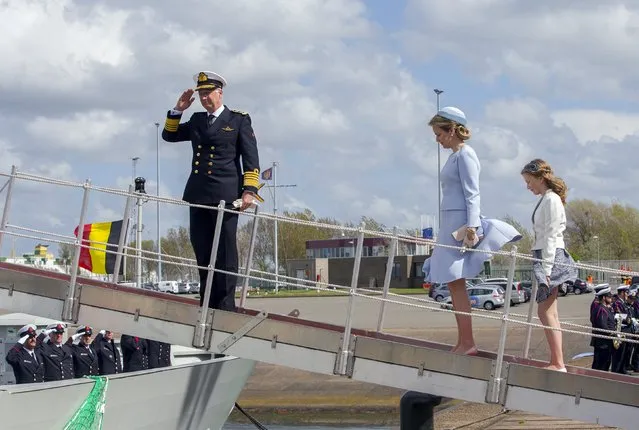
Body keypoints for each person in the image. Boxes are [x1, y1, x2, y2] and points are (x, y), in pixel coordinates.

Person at [422, 107, 522, 355]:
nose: (437, 139)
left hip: (459, 224)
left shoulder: (466, 155)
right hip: (449, 223)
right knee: (453, 283)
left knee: (457, 282)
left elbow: (473, 193)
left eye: (439, 134)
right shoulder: (454, 156)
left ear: (452, 130)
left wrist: (472, 228)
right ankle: (463, 341)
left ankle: (468, 342)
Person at [162, 71, 261, 312]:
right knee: (203, 250)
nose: (205, 98)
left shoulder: (238, 120)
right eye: (202, 94)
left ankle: (226, 306)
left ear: (220, 93)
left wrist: (249, 191)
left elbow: (251, 158)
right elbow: (169, 135)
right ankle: (207, 303)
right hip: (198, 194)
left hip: (226, 196)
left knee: (225, 253)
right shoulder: (197, 120)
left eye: (208, 93)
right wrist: (178, 109)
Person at [521, 158, 577, 372]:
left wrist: (545, 269)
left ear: (539, 177)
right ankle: (557, 361)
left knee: (546, 312)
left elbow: (552, 235)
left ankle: (558, 362)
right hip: (545, 256)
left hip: (550, 258)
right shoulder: (547, 198)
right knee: (547, 312)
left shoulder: (551, 199)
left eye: (529, 181)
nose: (528, 186)